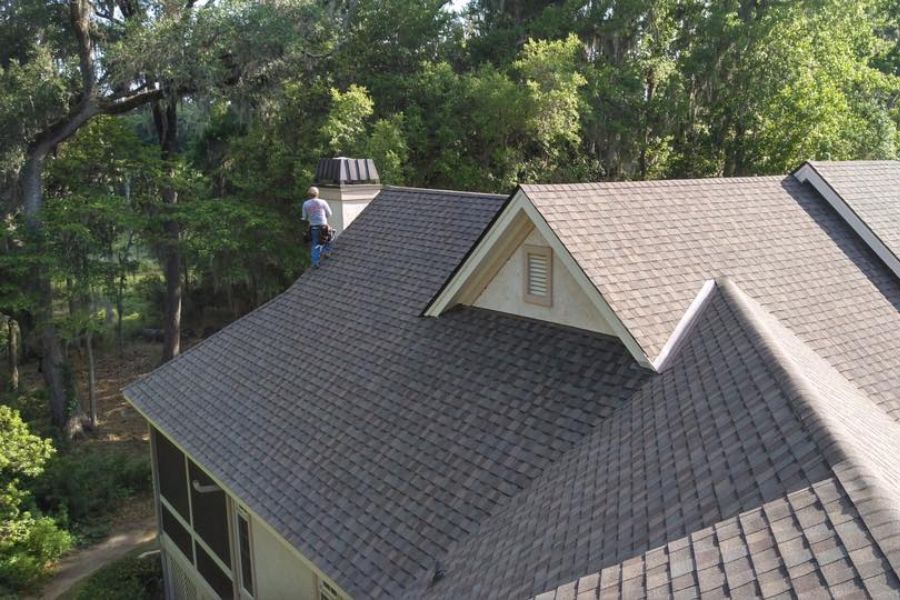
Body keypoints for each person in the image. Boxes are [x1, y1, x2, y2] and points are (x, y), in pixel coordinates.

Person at [301, 186, 333, 268]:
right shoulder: (323, 202)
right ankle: (327, 252)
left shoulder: (306, 204)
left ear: (308, 194)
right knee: (327, 238)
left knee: (315, 244)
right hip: (323, 226)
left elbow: (304, 217)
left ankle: (315, 263)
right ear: (317, 194)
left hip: (313, 227)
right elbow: (329, 214)